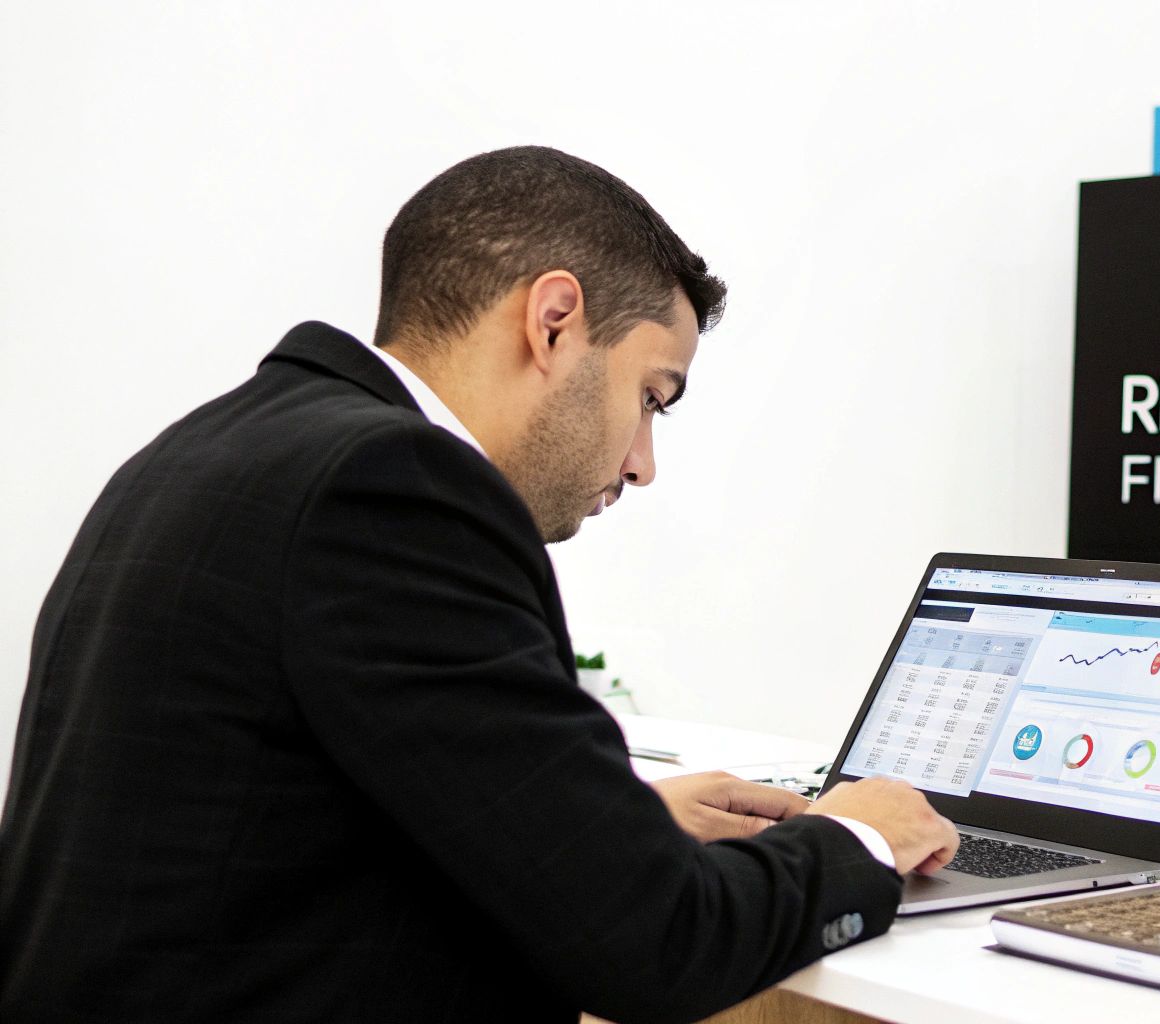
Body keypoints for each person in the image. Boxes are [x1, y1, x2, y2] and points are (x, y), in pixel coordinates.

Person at [0, 146, 958, 1023]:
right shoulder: (392, 490)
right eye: (651, 398)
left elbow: (273, 828)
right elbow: (654, 944)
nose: (643, 464)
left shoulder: (211, 450)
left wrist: (604, 827)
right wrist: (854, 839)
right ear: (553, 322)